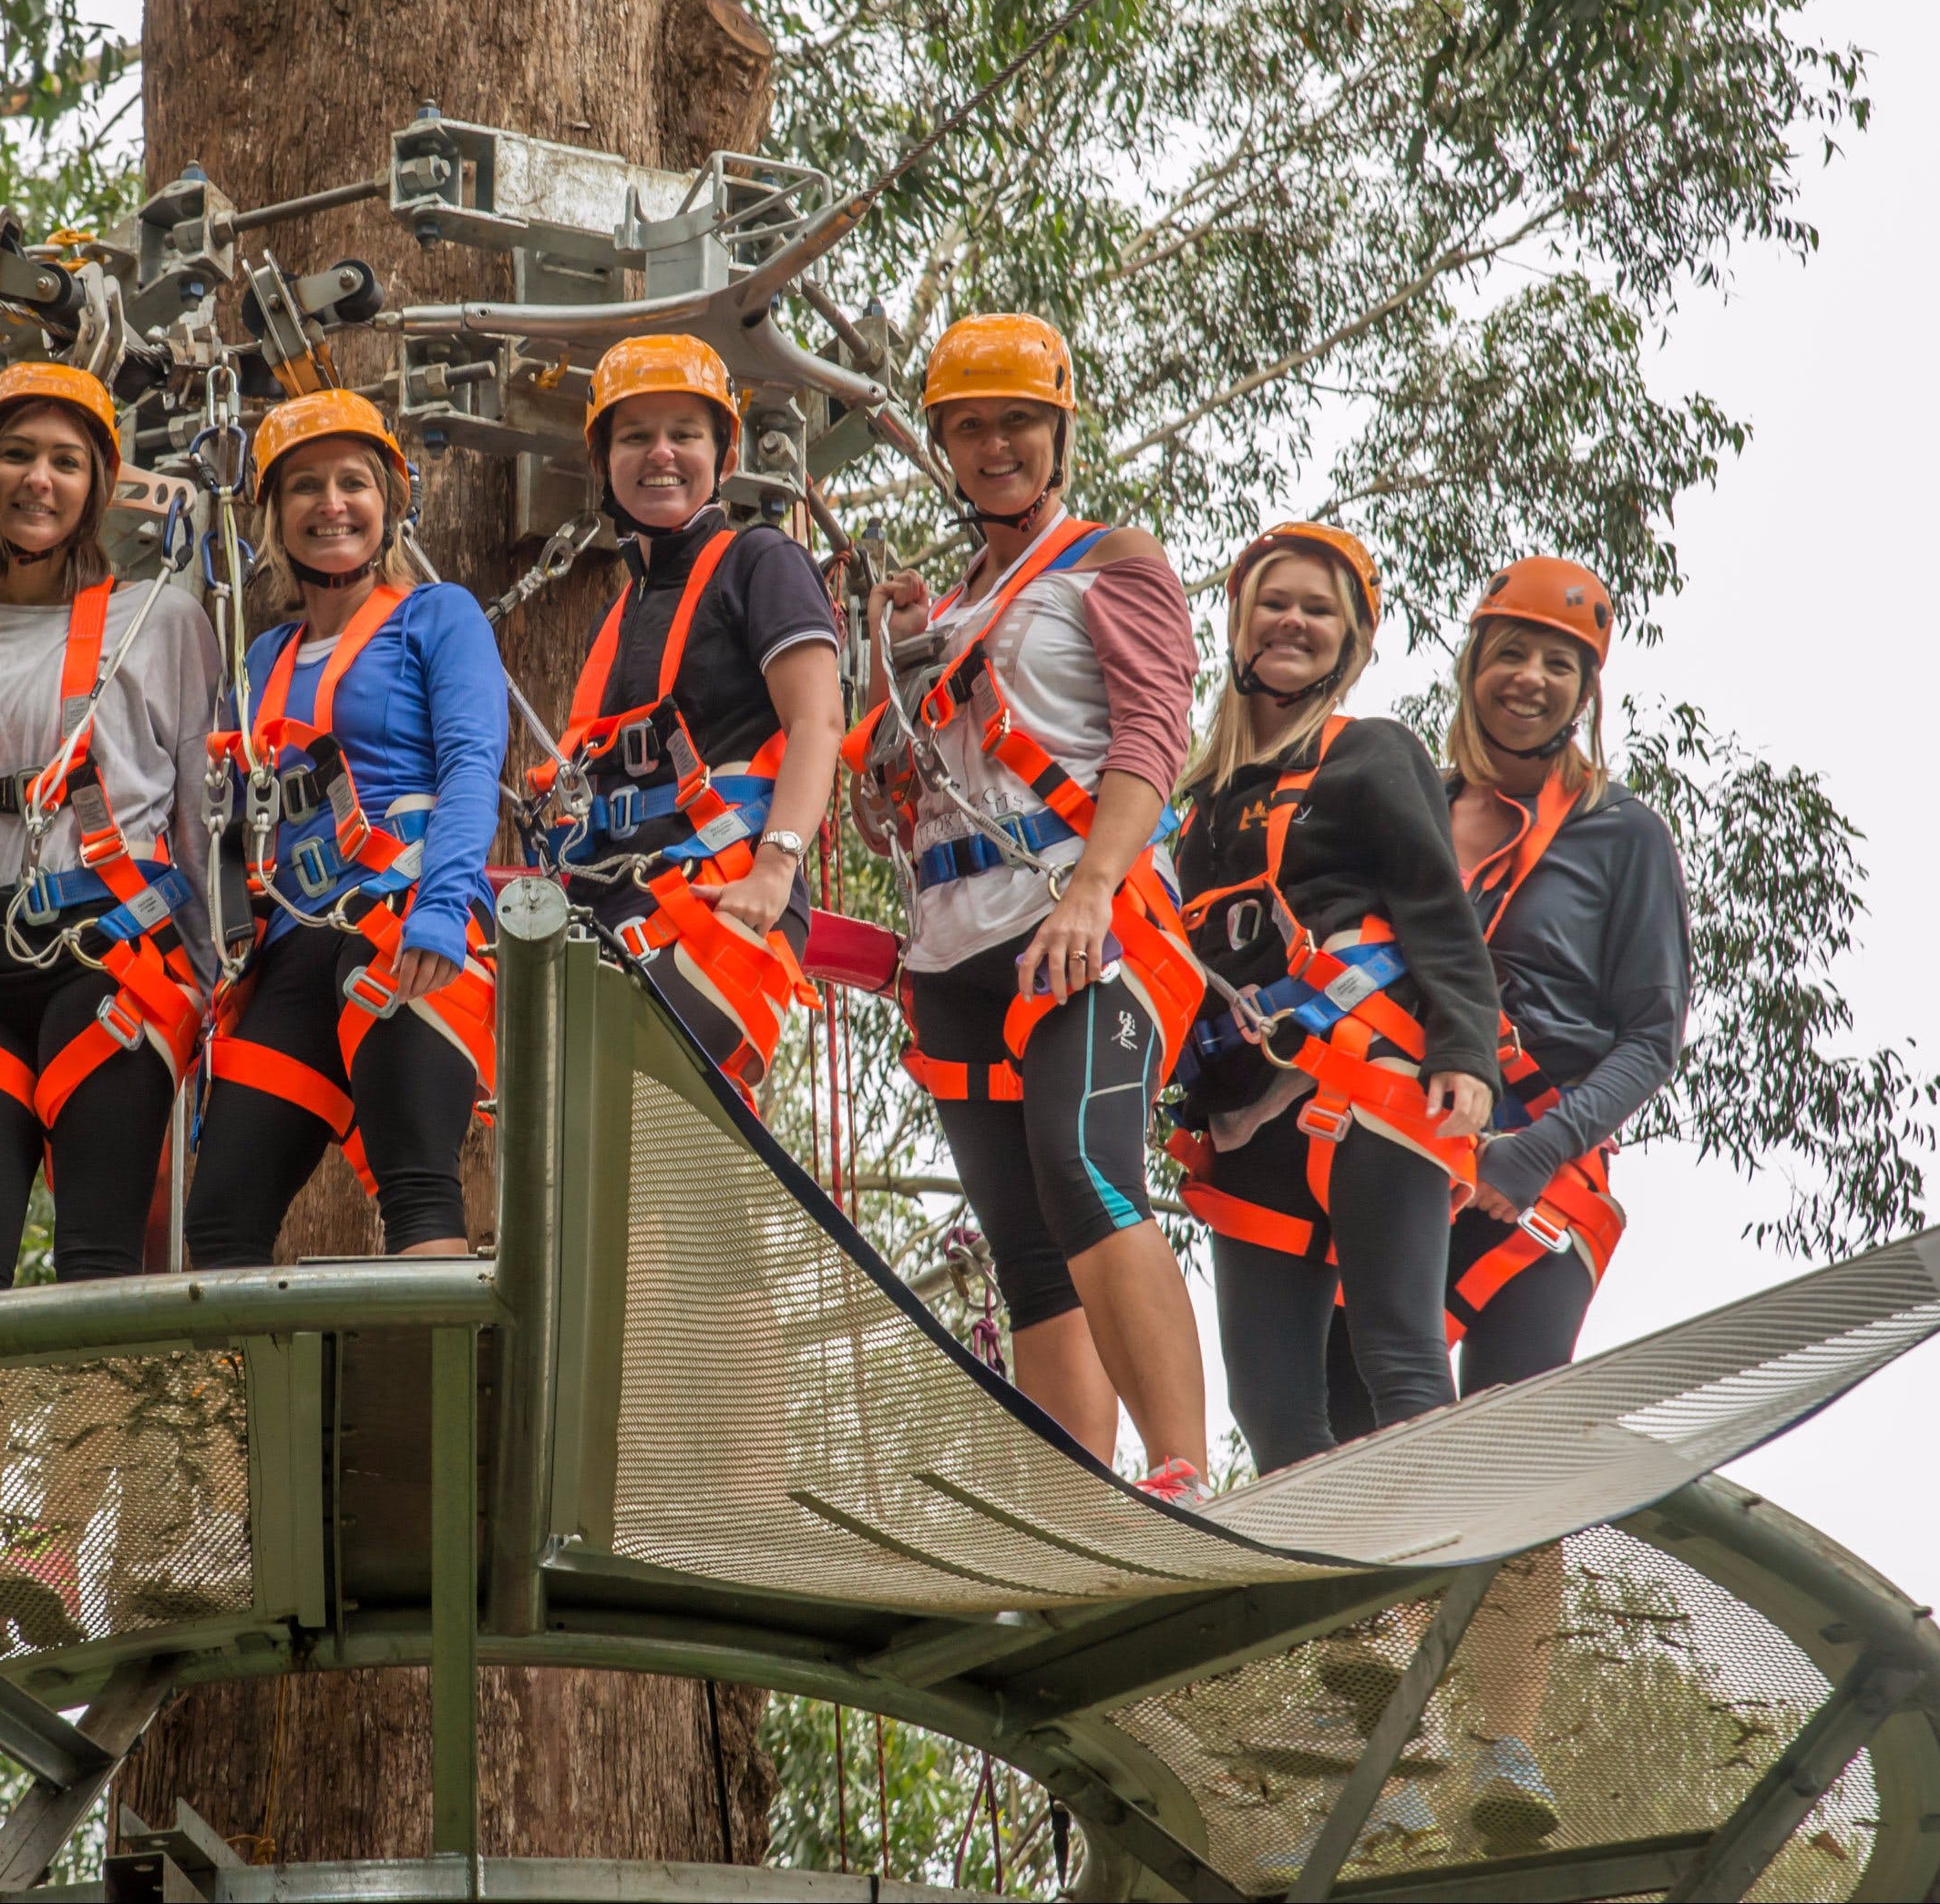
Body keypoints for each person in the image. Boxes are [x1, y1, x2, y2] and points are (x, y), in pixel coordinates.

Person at [0, 361, 218, 1650]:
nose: (38, 480)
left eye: (65, 461)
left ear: (97, 486)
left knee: (92, 1255)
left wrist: (206, 981)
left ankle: (66, 1542)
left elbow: (197, 812)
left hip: (109, 967)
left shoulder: (159, 621)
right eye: (16, 455)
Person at [855, 314, 1212, 1499]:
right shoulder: (948, 605)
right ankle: (1074, 1497)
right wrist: (890, 658)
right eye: (966, 426)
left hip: (1077, 920)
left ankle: (1177, 1472)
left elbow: (1152, 741)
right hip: (955, 945)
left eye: (1014, 421)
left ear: (1057, 432)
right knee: (1022, 1241)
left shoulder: (1111, 561)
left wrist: (1096, 891)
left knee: (1082, 1169)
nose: (992, 444)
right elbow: (890, 807)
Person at [1406, 555, 1689, 1848]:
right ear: (1469, 665)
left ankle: (1500, 1737)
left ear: (1584, 689)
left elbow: (1650, 1031)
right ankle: (1394, 1720)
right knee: (1373, 1427)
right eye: (1508, 651)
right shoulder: (1406, 806)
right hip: (1390, 1144)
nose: (1528, 678)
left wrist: (1538, 1148)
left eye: (1557, 662)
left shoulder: (1618, 833)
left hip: (1535, 1165)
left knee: (1513, 1433)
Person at [1169, 522, 1500, 1475]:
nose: (1291, 621)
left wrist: (1464, 1053)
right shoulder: (1195, 797)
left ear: (1348, 640)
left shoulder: (1372, 753)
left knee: (1397, 1359)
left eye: (1317, 608)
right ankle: (1337, 1620)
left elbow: (1439, 909)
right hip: (1241, 1115)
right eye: (1274, 602)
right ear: (1237, 625)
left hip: (1369, 1089)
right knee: (1268, 1402)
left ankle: (1440, 1583)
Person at [183, 389, 506, 1265]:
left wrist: (444, 910)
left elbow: (474, 767)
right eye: (305, 488)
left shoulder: (437, 616)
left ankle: (425, 1398)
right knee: (217, 1220)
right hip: (292, 942)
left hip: (401, 920)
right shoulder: (261, 659)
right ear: (275, 514)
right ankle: (234, 1406)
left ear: (388, 501)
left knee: (417, 1182)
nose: (332, 505)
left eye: (353, 483)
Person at [535, 333, 842, 1089]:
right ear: (606, 463)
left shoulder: (759, 560)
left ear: (724, 458)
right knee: (584, 1154)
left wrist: (775, 870)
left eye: (685, 435)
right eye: (635, 436)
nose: (661, 454)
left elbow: (818, 723)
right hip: (614, 896)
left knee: (632, 1110)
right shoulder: (622, 614)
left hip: (723, 883)